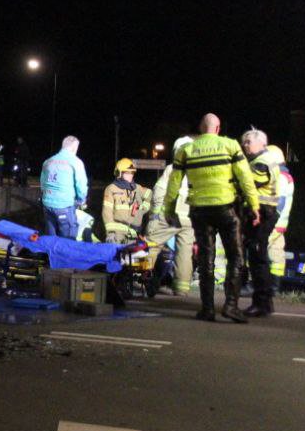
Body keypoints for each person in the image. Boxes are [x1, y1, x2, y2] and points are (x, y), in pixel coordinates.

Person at [165, 113, 259, 323]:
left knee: (206, 259)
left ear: (200, 129)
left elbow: (174, 183)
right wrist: (254, 206)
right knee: (235, 256)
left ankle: (207, 309)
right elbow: (245, 178)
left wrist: (168, 209)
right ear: (217, 129)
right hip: (226, 209)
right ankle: (231, 306)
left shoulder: (186, 150)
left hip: (199, 210)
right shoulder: (230, 145)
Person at [240, 129, 284, 317]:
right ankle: (264, 302)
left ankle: (262, 303)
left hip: (262, 215)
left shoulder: (261, 162)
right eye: (244, 142)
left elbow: (247, 186)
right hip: (262, 214)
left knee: (258, 259)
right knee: (258, 258)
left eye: (248, 142)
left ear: (261, 143)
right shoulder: (261, 160)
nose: (245, 145)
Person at [147, 136, 195, 296]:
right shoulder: (199, 170)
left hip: (170, 216)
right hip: (190, 218)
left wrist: (155, 216)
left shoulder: (172, 168)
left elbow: (158, 193)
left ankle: (139, 280)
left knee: (151, 246)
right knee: (184, 253)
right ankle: (181, 288)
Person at [40, 135, 88, 239]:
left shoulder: (48, 161)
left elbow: (43, 183)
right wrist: (81, 200)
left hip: (47, 205)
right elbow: (81, 185)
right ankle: (64, 255)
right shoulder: (75, 162)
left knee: (50, 237)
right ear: (74, 147)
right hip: (64, 206)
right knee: (67, 241)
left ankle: (50, 255)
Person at [102, 158, 150, 244]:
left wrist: (142, 209)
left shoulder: (137, 188)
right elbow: (107, 211)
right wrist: (110, 232)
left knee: (131, 256)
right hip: (117, 233)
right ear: (119, 173)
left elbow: (150, 194)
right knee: (117, 256)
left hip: (133, 232)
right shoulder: (111, 188)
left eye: (132, 173)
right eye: (127, 173)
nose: (131, 175)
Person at [267, 144, 295, 288]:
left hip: (273, 224)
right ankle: (274, 286)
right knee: (276, 254)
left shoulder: (280, 178)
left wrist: (269, 220)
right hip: (279, 225)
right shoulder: (285, 176)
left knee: (258, 250)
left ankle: (258, 284)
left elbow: (279, 203)